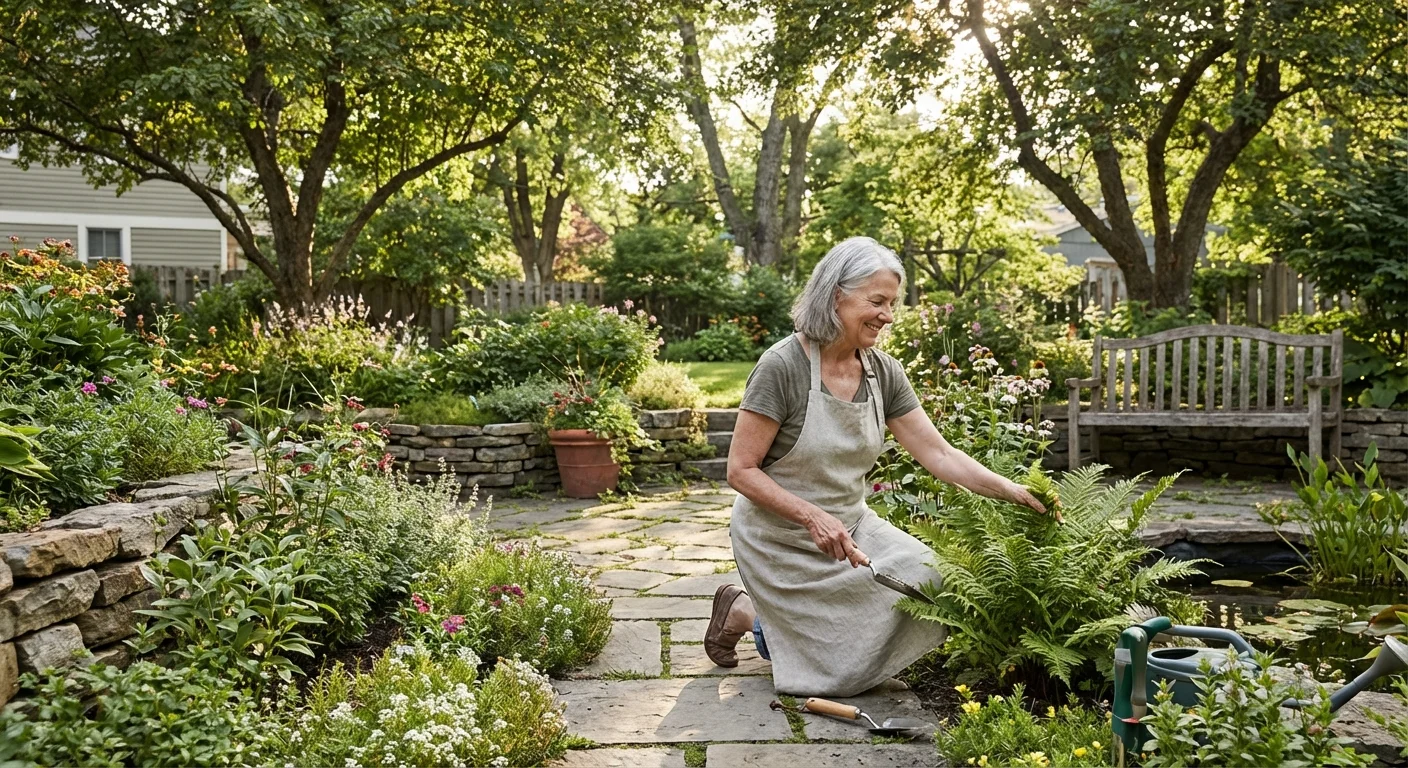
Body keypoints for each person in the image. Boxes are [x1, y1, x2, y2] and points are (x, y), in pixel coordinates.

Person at [704, 236, 1054, 697]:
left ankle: (760, 620)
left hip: (850, 526)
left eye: (891, 303)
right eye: (877, 301)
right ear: (835, 295)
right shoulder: (782, 367)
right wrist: (811, 516)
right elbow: (741, 470)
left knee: (935, 578)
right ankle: (749, 613)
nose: (888, 315)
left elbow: (939, 454)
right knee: (840, 678)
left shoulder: (884, 372)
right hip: (778, 538)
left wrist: (1014, 491)